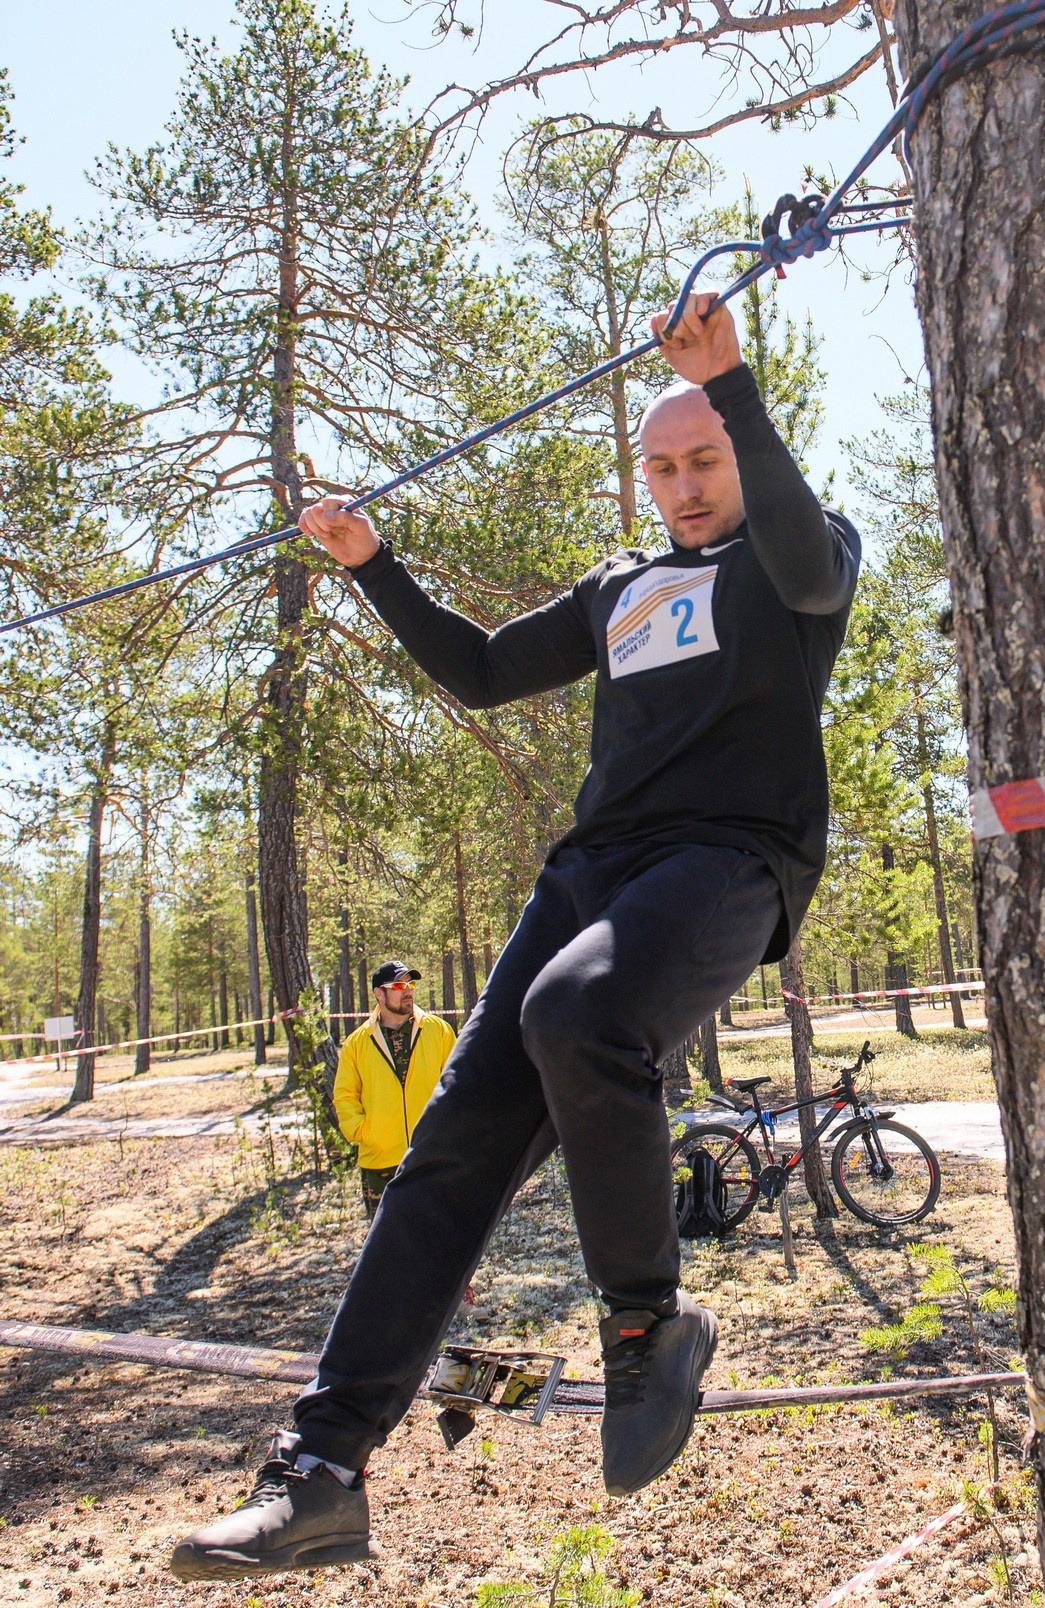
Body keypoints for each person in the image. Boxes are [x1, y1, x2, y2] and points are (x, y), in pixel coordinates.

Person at [170, 293, 861, 1582]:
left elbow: (816, 571)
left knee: (576, 1013)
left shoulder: (796, 551)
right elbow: (484, 670)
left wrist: (736, 387)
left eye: (704, 457)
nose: (685, 485)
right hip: (591, 874)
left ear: (739, 449)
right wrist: (374, 561)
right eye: (661, 467)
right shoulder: (621, 589)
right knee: (450, 1151)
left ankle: (650, 1327)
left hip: (726, 864)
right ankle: (320, 1472)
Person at [333, 961, 457, 1219]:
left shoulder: (438, 1030)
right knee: (387, 1245)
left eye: (410, 984)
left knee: (437, 1238)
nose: (408, 991)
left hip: (431, 1156)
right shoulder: (357, 1043)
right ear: (379, 993)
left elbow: (457, 1083)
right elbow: (345, 1096)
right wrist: (365, 1132)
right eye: (399, 985)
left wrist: (447, 1132)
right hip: (380, 1163)